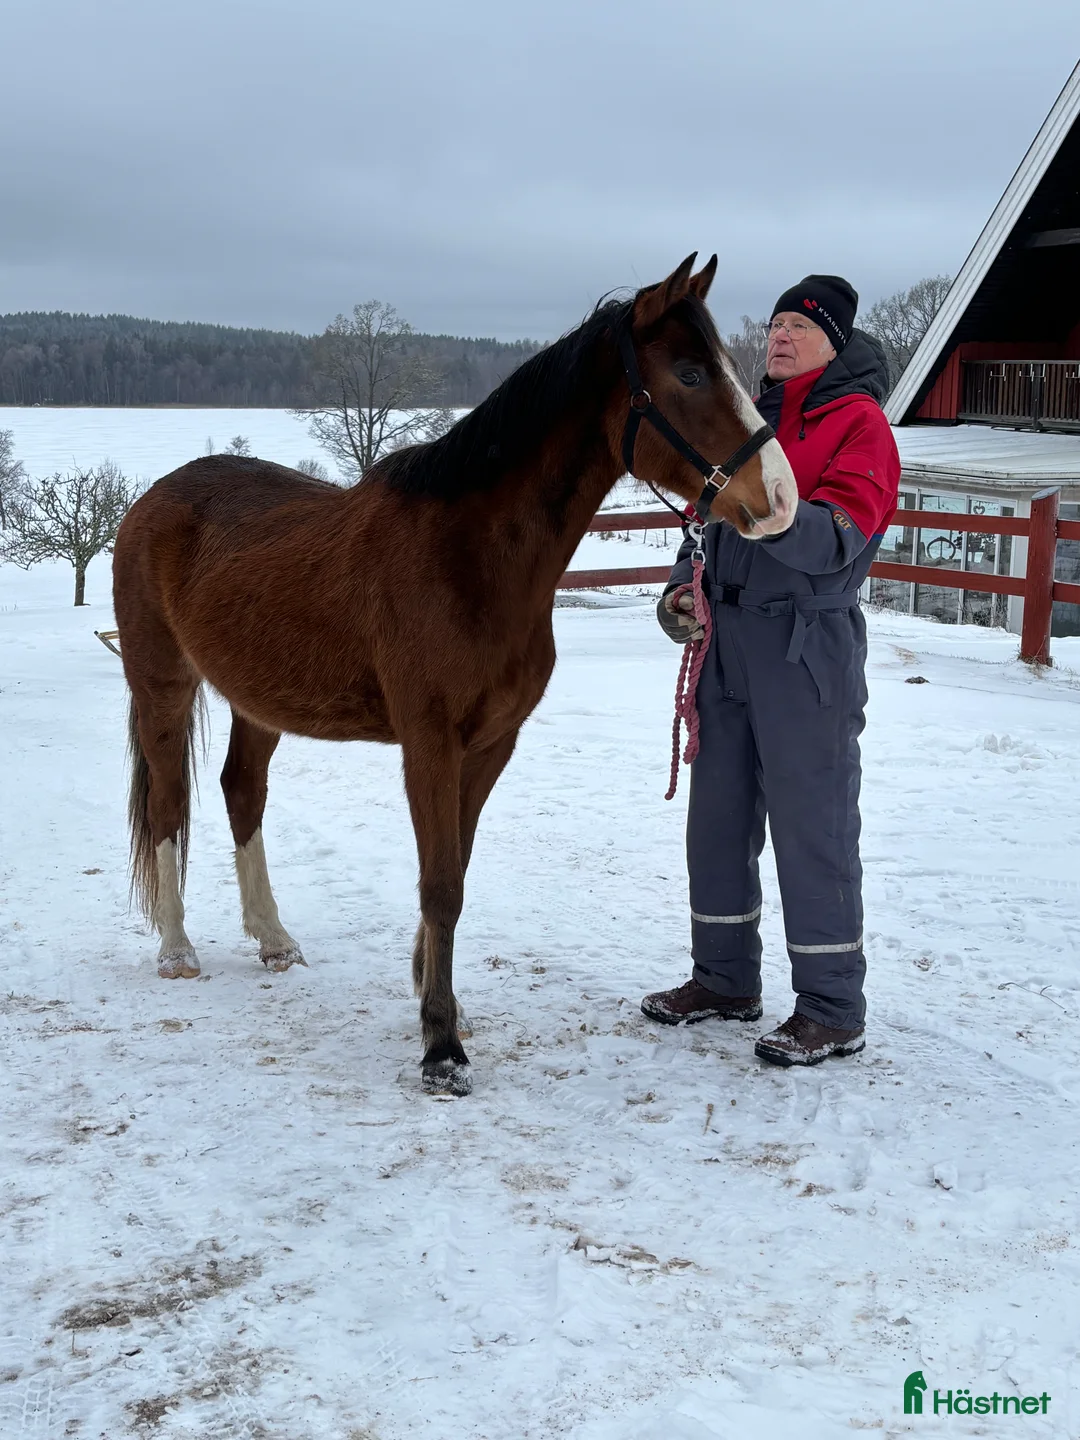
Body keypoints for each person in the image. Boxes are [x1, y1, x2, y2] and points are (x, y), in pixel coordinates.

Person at [642, 275, 900, 1066]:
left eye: (800, 326)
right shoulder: (749, 422)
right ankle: (723, 978)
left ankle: (831, 1006)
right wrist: (684, 590)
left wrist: (769, 511)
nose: (779, 336)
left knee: (810, 824)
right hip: (725, 645)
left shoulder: (859, 428)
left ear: (835, 343)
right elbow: (702, 530)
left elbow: (834, 539)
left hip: (803, 649)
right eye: (777, 323)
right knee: (716, 818)